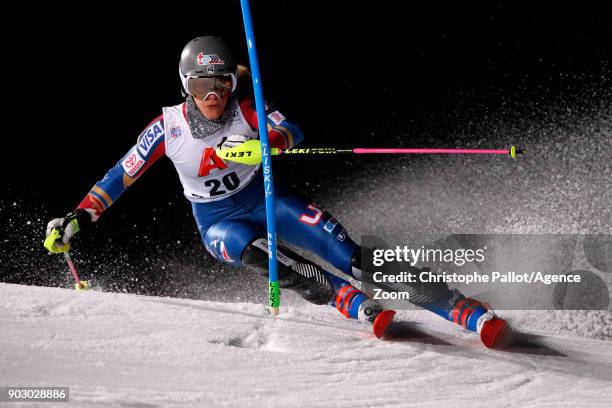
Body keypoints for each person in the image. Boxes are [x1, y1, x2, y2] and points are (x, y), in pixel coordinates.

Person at [44, 36, 507, 345]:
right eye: (203, 85)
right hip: (219, 224)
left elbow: (292, 130)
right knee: (269, 257)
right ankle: (353, 303)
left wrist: (264, 144)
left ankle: (459, 308)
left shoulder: (248, 108)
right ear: (187, 86)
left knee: (350, 254)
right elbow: (119, 177)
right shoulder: (166, 127)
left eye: (222, 83)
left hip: (268, 199)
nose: (214, 95)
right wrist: (79, 217)